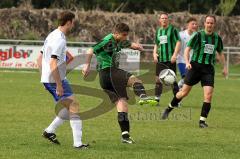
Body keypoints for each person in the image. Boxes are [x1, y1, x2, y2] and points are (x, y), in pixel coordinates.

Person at [82, 23, 157, 144]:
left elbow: (129, 44)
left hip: (105, 79)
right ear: (116, 33)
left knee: (122, 104)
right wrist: (86, 65)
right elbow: (91, 49)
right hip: (109, 72)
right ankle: (143, 97)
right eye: (124, 35)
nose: (125, 37)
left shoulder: (119, 40)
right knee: (136, 81)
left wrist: (137, 47)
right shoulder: (107, 41)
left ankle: (125, 136)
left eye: (126, 35)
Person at [161, 15, 228, 128]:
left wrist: (224, 67)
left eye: (212, 23)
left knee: (208, 95)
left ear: (214, 24)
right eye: (208, 22)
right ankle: (168, 108)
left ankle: (202, 121)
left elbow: (220, 53)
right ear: (205, 23)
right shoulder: (198, 35)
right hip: (195, 67)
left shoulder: (217, 38)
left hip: (208, 69)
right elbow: (187, 49)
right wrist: (187, 62)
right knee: (184, 93)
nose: (210, 25)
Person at [38, 11, 89, 149]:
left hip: (50, 79)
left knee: (69, 107)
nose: (73, 25)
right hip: (56, 79)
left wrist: (43, 79)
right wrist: (59, 84)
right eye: (73, 22)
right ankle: (78, 144)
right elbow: (52, 62)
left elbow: (39, 58)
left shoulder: (52, 35)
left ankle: (50, 131)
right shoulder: (59, 39)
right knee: (74, 107)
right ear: (68, 22)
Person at [153, 12, 181, 105]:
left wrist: (175, 55)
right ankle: (156, 99)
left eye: (165, 18)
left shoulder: (173, 30)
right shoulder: (158, 31)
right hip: (161, 59)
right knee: (158, 79)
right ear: (159, 20)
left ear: (168, 20)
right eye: (162, 18)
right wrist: (154, 54)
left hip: (170, 59)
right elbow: (157, 44)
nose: (164, 20)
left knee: (172, 79)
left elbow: (178, 42)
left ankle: (177, 101)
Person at [177, 17, 198, 89]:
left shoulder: (197, 35)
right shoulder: (181, 35)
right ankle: (178, 89)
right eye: (193, 24)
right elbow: (175, 45)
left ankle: (179, 88)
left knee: (188, 81)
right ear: (187, 25)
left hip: (192, 61)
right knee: (185, 77)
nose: (195, 26)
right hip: (181, 60)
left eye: (196, 24)